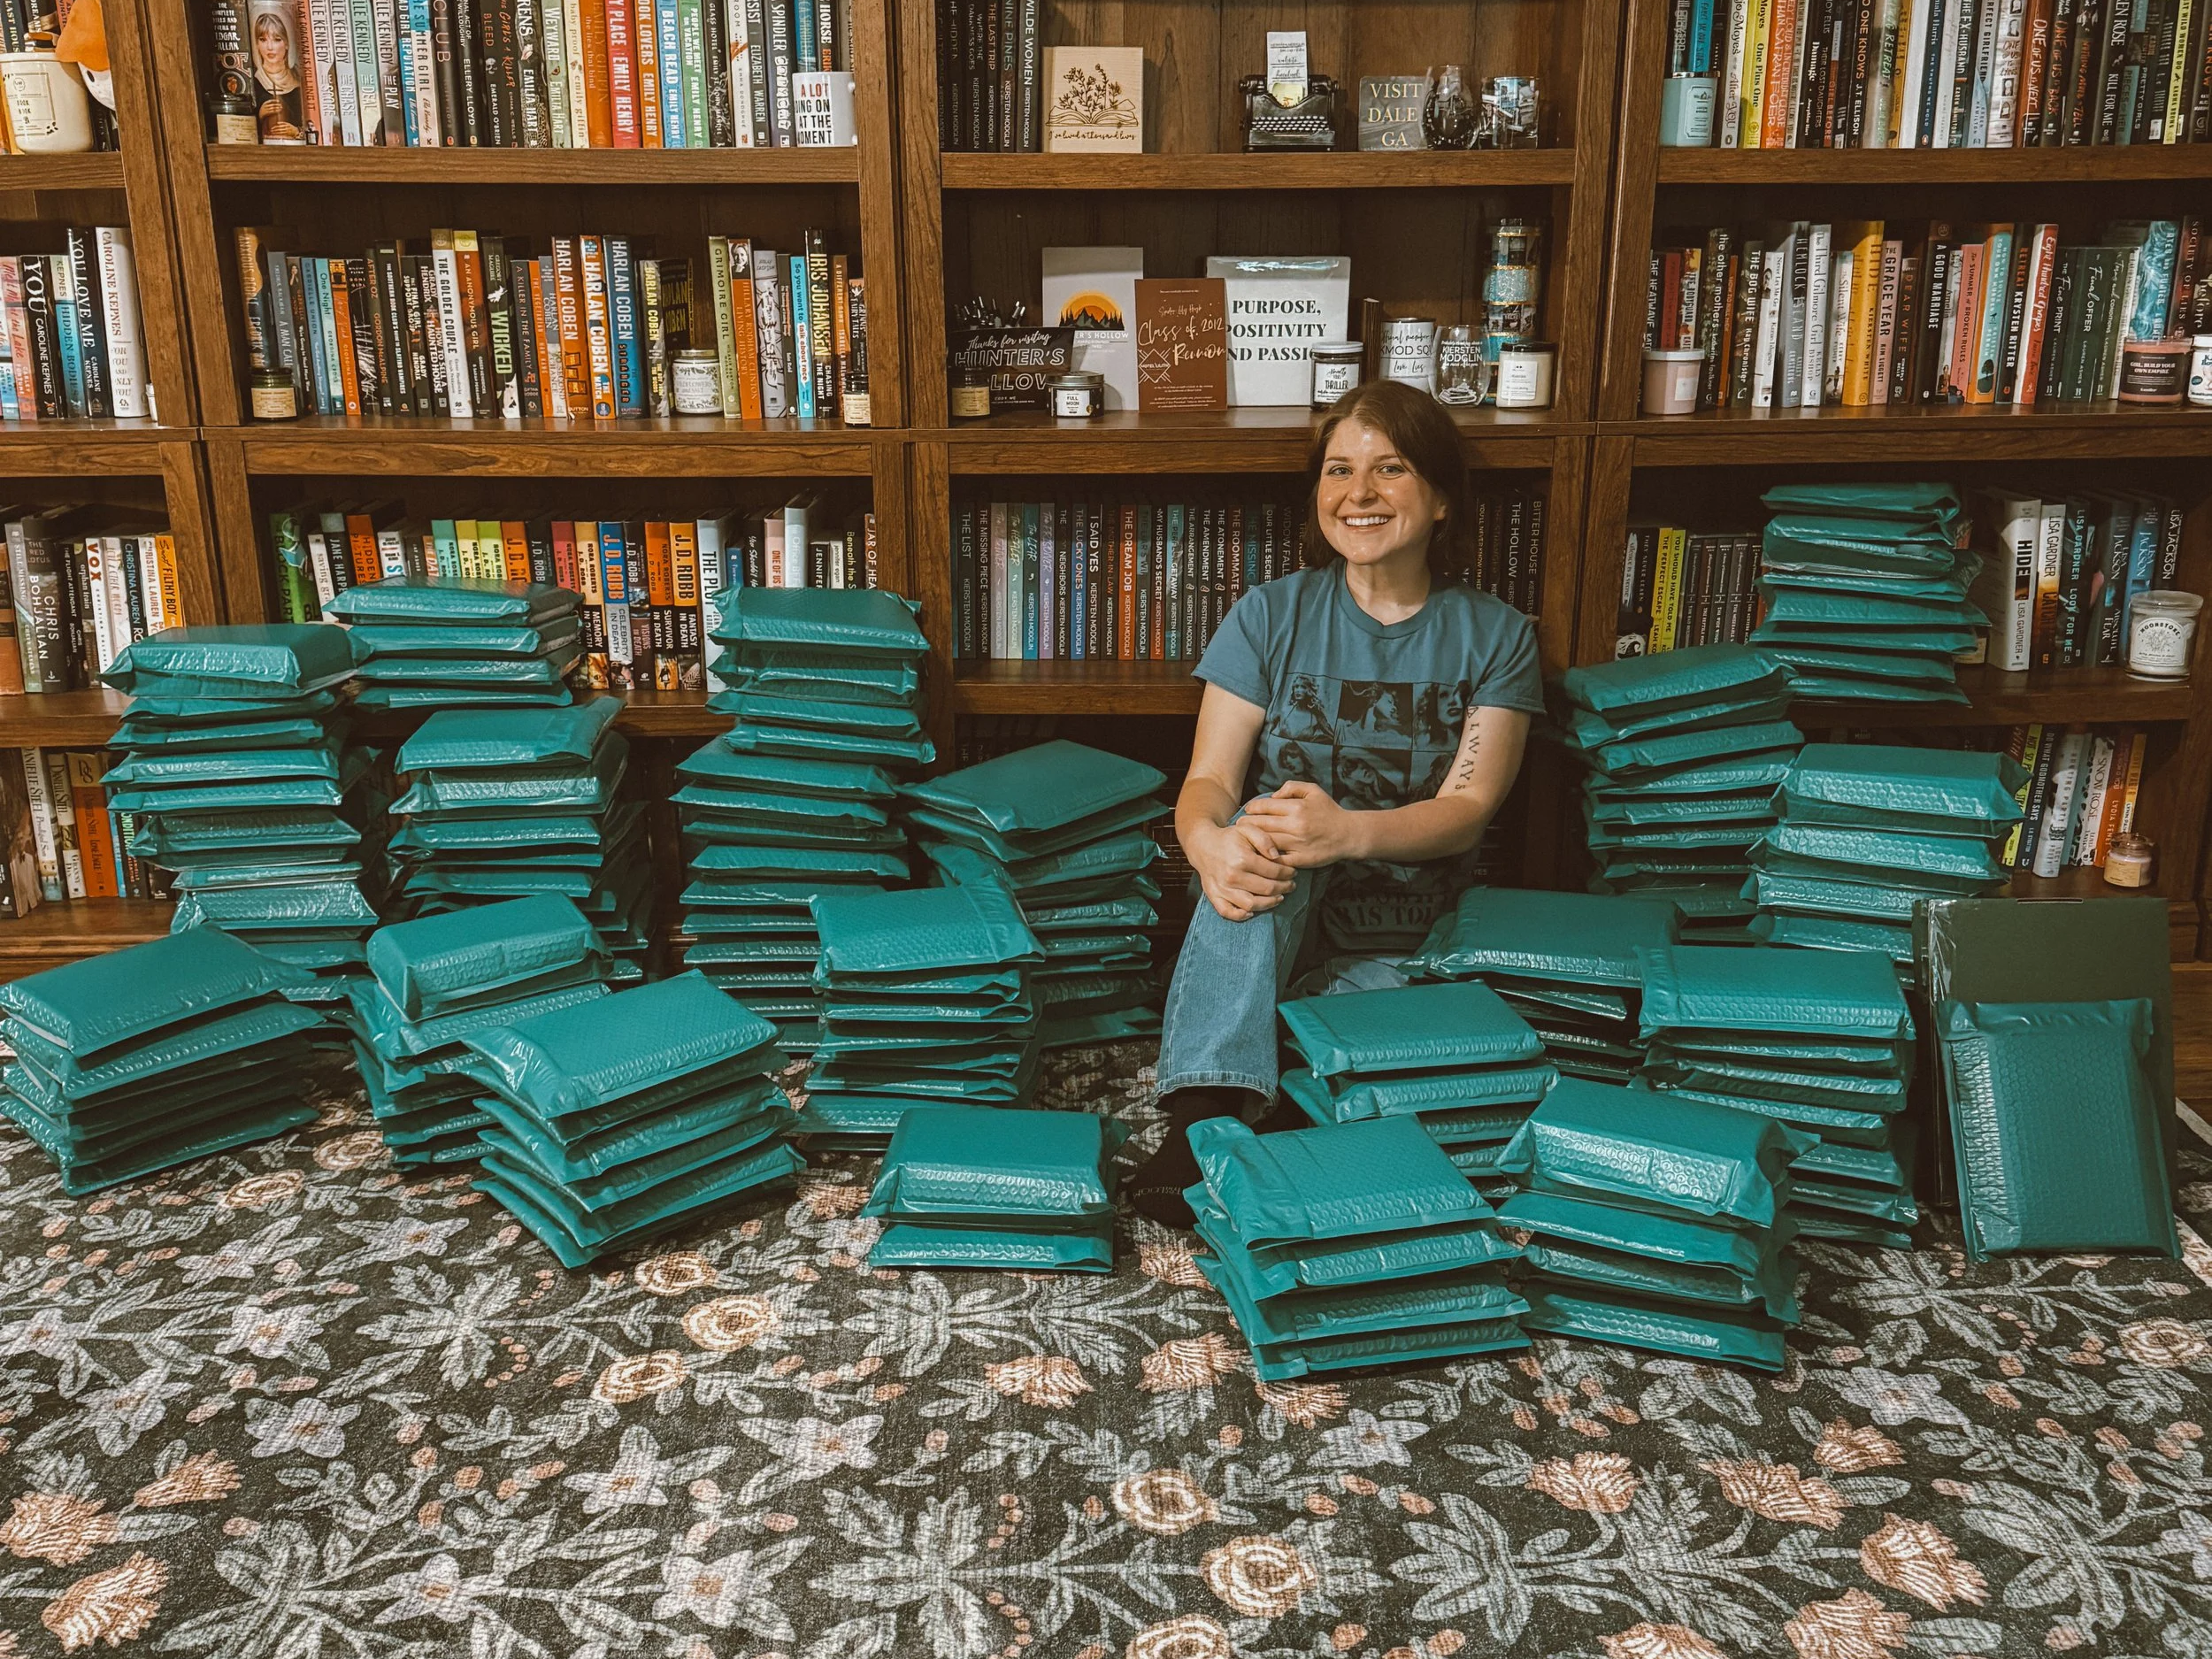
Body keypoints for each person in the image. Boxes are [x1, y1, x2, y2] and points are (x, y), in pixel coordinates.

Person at [1128, 378, 1545, 1226]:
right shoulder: (1268, 615)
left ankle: (1280, 1085)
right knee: (1255, 830)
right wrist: (1207, 845)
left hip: (1412, 939)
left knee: (1362, 1068)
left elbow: (1470, 805)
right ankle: (1203, 1114)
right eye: (1338, 470)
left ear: (1440, 499)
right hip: (1271, 911)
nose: (1358, 493)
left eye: (1389, 468)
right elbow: (1208, 781)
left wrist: (1348, 832)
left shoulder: (1497, 635)